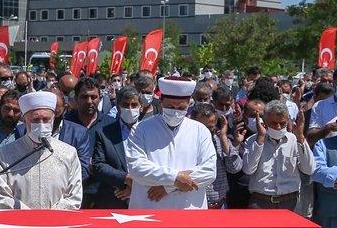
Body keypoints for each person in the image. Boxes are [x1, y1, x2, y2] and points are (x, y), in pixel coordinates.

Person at [124, 76, 217, 209]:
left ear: (189, 105)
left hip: (188, 210)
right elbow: (137, 168)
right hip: (149, 208)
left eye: (181, 108)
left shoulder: (200, 130)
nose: (175, 111)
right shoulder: (141, 128)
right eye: (170, 107)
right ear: (161, 103)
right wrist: (175, 178)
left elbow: (209, 171)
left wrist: (169, 186)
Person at [0, 90, 82, 210]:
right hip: (18, 224)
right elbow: (1, 194)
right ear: (24, 120)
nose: (41, 124)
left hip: (57, 224)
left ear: (53, 119)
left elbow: (74, 197)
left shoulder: (69, 153)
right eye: (35, 120)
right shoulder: (5, 154)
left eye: (46, 119)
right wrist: (30, 217)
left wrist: (48, 218)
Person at [241, 99, 314, 210]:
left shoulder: (295, 140)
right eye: (274, 123)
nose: (279, 127)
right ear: (264, 121)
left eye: (282, 123)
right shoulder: (253, 141)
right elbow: (248, 169)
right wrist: (260, 139)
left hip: (290, 202)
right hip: (261, 202)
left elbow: (309, 169)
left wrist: (300, 137)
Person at [91, 88, 142, 208]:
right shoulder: (104, 133)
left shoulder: (150, 132)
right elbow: (99, 165)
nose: (130, 109)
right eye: (125, 105)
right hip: (114, 197)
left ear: (141, 107)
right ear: (118, 108)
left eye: (134, 105)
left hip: (144, 197)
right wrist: (125, 179)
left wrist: (136, 187)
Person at [188, 103, 241, 209]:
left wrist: (223, 138)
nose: (206, 131)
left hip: (219, 205)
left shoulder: (219, 140)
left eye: (210, 127)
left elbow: (235, 168)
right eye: (203, 127)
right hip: (193, 204)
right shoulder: (185, 143)